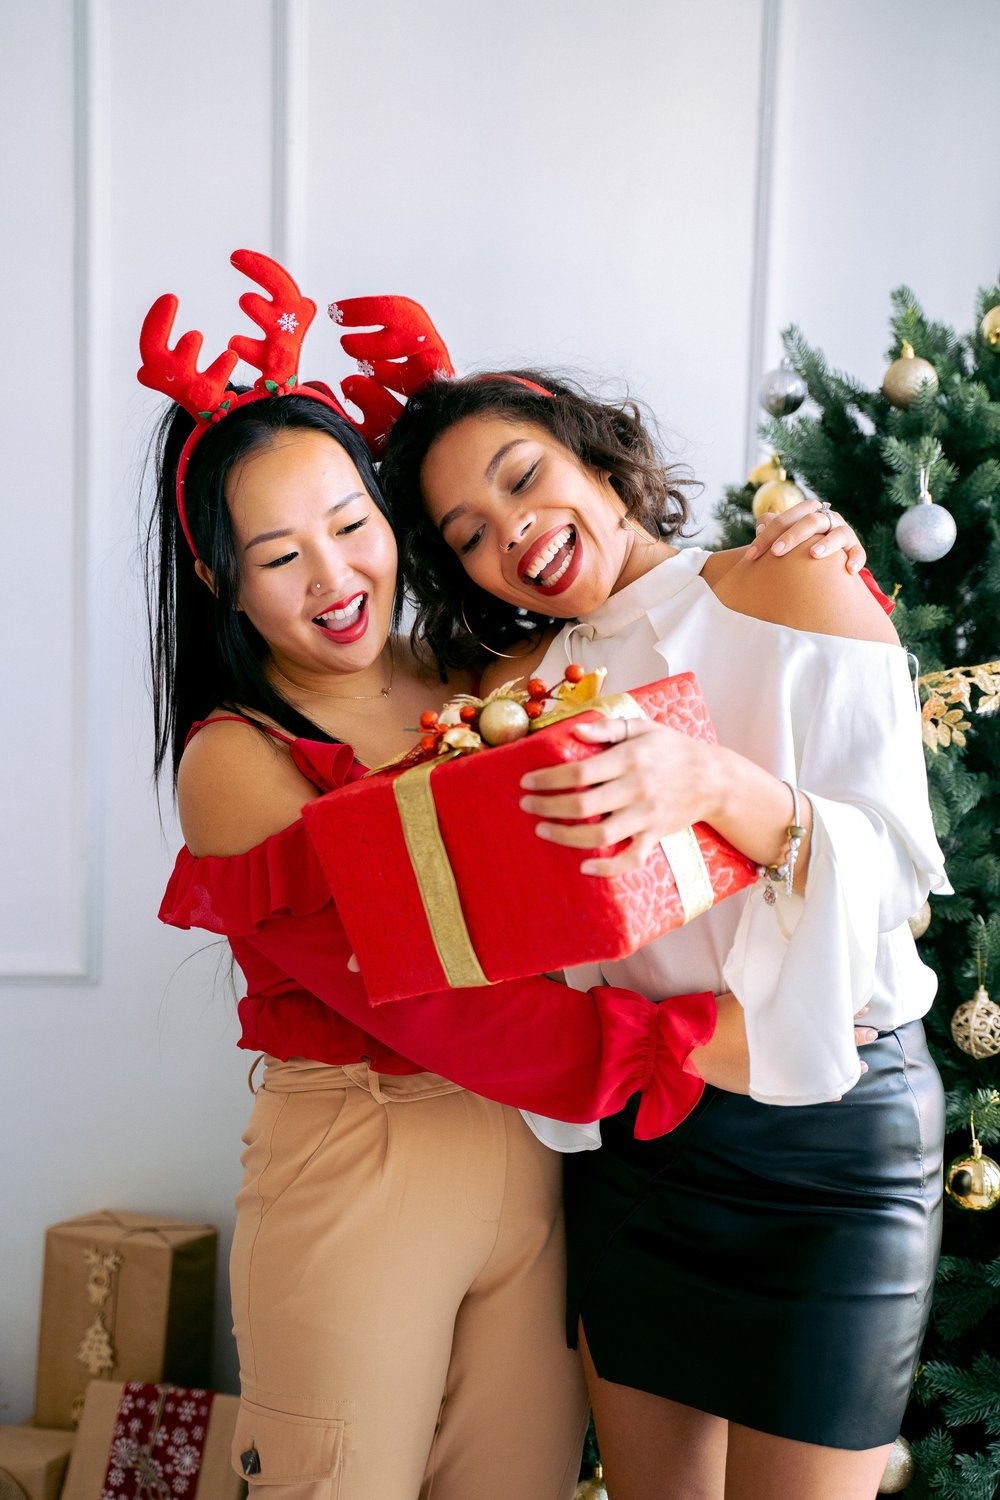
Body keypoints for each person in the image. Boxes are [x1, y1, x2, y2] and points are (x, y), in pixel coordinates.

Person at [138, 253, 870, 1500]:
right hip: (366, 1161)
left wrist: (802, 545)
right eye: (277, 555)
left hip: (541, 1160)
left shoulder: (469, 682)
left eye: (353, 525)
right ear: (219, 579)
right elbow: (420, 993)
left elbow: (600, 579)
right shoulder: (235, 761)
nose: (334, 578)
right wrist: (681, 1039)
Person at [374, 359, 950, 1500]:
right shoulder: (509, 700)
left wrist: (714, 784)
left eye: (525, 474)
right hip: (644, 1148)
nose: (518, 532)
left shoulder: (795, 587)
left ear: (596, 449)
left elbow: (897, 880)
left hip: (835, 1145)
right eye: (471, 531)